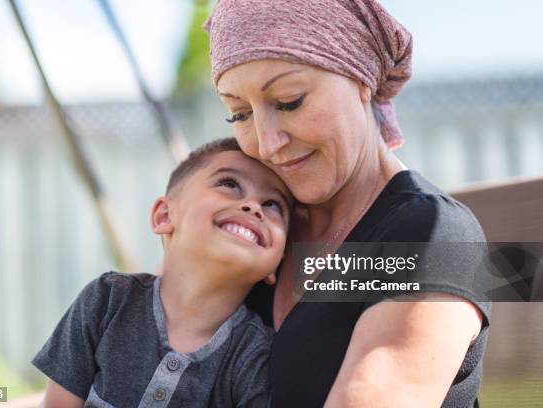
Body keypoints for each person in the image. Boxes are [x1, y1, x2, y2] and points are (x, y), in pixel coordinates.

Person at [204, 1, 491, 407]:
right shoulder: (256, 226)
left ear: (362, 81)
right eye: (239, 114)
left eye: (289, 101)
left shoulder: (430, 234)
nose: (267, 144)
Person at [31, 138, 294, 407]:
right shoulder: (106, 300)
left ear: (277, 264)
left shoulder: (257, 356)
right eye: (229, 184)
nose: (253, 206)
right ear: (164, 216)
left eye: (273, 204)